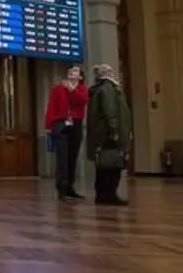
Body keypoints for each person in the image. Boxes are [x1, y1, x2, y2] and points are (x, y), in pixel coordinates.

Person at [86, 64, 133, 206]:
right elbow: (110, 110)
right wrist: (114, 130)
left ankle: (102, 194)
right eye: (112, 71)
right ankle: (109, 194)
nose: (114, 73)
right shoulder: (108, 89)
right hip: (109, 134)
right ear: (107, 74)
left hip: (102, 134)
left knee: (103, 165)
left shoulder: (99, 89)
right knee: (112, 165)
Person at [45, 65, 88, 201]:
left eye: (75, 71)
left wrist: (72, 90)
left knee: (72, 156)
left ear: (80, 77)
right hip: (61, 123)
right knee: (62, 157)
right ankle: (62, 188)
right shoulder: (58, 89)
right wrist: (49, 125)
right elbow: (51, 106)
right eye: (70, 70)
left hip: (76, 124)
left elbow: (82, 101)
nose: (71, 72)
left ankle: (70, 187)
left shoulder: (82, 89)